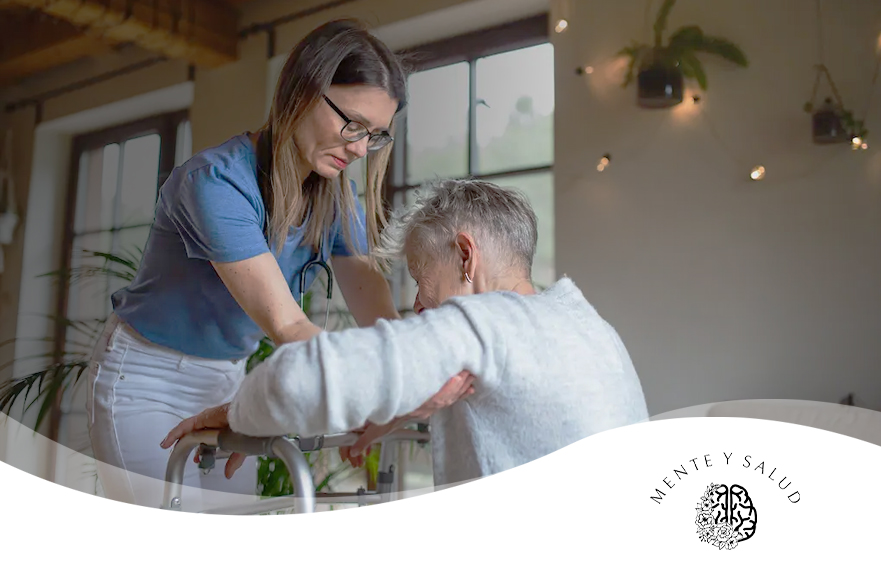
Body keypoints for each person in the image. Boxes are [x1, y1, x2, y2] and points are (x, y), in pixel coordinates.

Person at [86, 19, 472, 508]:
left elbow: (380, 322)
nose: (358, 148)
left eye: (374, 136)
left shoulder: (339, 199)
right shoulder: (216, 183)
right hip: (146, 378)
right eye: (351, 123)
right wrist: (375, 392)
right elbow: (287, 324)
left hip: (227, 377)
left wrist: (426, 378)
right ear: (302, 92)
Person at [163, 179, 650, 489]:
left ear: (466, 255)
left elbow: (296, 381)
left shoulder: (482, 322)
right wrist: (399, 402)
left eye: (421, 278)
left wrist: (240, 414)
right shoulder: (586, 324)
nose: (416, 305)